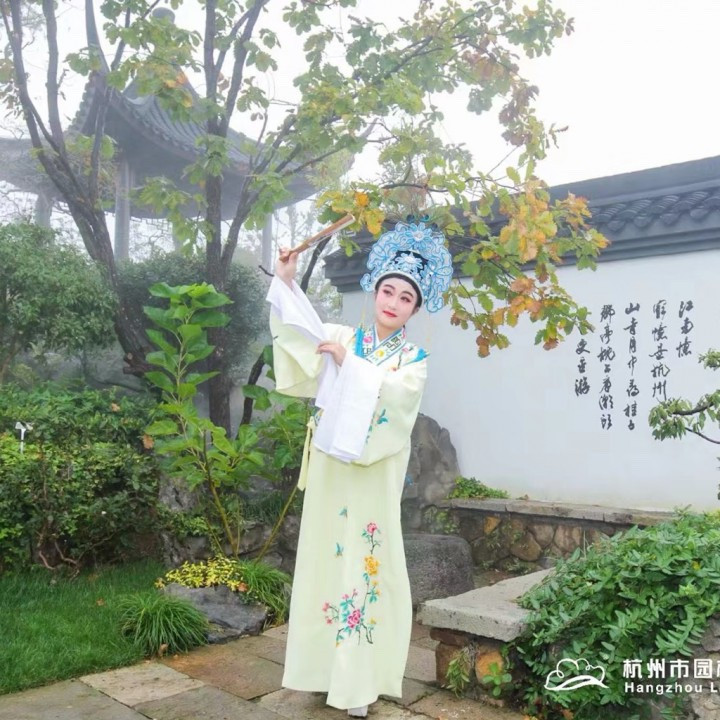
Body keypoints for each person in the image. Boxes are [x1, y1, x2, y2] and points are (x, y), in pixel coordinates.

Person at [267, 219, 452, 717]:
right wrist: (285, 281)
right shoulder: (341, 335)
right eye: (387, 291)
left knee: (367, 562)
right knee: (325, 559)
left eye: (405, 298)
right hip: (332, 468)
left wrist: (349, 365)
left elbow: (396, 399)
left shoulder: (413, 360)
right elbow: (299, 331)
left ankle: (359, 682)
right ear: (375, 292)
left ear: (415, 308)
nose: (393, 302)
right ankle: (321, 673)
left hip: (372, 474)